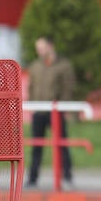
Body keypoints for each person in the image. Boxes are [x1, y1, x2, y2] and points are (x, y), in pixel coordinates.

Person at [25, 36, 76, 189]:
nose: (39, 51)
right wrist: (33, 104)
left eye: (42, 47)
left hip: (56, 110)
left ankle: (67, 176)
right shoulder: (35, 66)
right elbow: (31, 87)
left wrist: (63, 107)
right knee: (36, 146)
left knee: (62, 144)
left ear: (50, 46)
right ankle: (32, 178)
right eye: (37, 48)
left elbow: (68, 88)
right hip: (39, 110)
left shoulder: (64, 65)